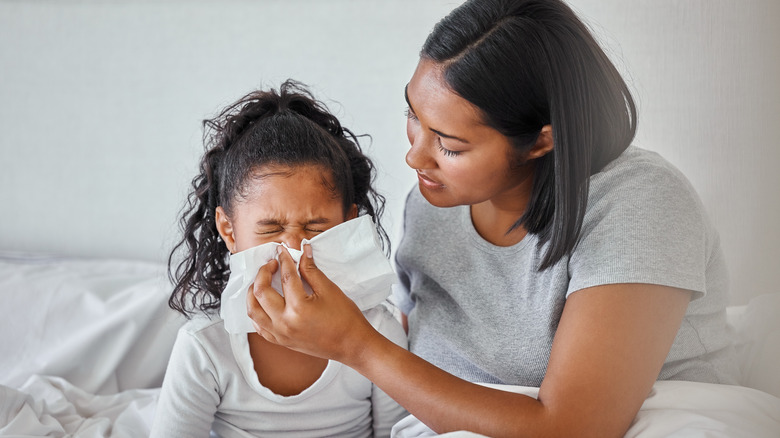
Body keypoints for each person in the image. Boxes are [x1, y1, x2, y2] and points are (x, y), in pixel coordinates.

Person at [245, 1, 738, 437]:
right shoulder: (432, 206)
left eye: (450, 145)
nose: (415, 158)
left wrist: (356, 345)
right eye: (413, 115)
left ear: (541, 140)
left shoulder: (638, 202)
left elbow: (577, 427)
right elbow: (406, 338)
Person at [151, 80, 408, 438]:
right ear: (229, 230)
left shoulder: (380, 334)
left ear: (348, 224)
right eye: (271, 229)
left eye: (316, 227)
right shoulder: (205, 347)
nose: (293, 248)